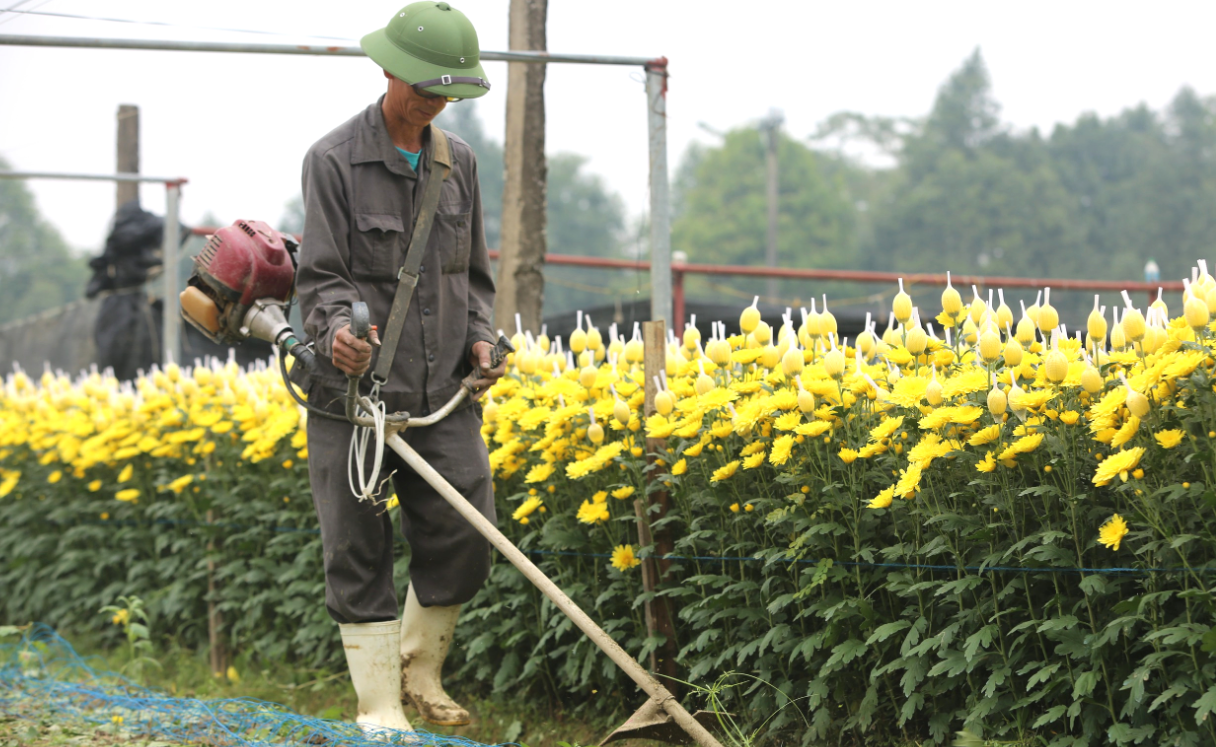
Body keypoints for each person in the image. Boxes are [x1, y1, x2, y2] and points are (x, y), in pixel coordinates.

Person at [292, 1, 502, 733]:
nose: (434, 101)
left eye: (447, 91)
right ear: (386, 70)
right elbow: (321, 278)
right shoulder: (333, 161)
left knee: (466, 528)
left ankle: (421, 669)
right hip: (353, 397)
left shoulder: (460, 163)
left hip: (441, 394)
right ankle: (379, 704)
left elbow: (472, 277)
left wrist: (481, 338)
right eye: (422, 86)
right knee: (358, 542)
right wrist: (338, 336)